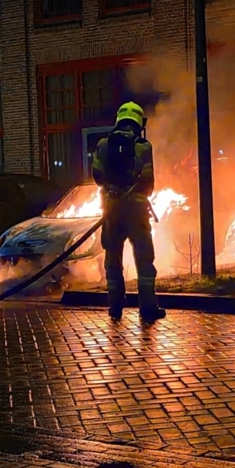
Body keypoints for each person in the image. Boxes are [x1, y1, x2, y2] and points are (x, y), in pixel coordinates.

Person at [91, 102, 165, 322]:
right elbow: (148, 183)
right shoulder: (143, 146)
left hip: (112, 213)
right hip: (136, 213)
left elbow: (97, 177)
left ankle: (115, 307)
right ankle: (148, 309)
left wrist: (113, 192)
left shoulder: (104, 144)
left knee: (112, 258)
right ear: (138, 122)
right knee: (144, 260)